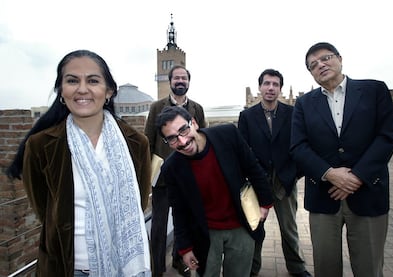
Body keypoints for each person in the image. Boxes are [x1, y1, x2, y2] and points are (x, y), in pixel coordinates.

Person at [6, 50, 152, 277]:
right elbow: (46, 211)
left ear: (109, 92)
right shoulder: (41, 146)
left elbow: (139, 202)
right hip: (66, 268)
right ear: (61, 92)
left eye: (93, 80)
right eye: (72, 80)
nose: (82, 89)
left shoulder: (136, 144)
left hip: (124, 268)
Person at [290, 42, 393, 277]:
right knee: (326, 268)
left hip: (369, 193)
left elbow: (386, 138)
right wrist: (330, 173)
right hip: (323, 197)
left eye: (325, 58)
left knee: (369, 267)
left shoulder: (374, 90)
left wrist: (358, 176)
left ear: (339, 58)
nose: (320, 65)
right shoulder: (304, 104)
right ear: (311, 73)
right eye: (313, 65)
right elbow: (298, 147)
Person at [155, 106, 274, 277]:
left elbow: (253, 169)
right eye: (172, 139)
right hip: (204, 233)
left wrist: (265, 204)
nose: (182, 141)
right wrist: (185, 249)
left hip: (241, 225)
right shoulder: (171, 168)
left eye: (183, 130)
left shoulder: (227, 135)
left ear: (194, 123)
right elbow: (179, 211)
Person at [238, 69, 312, 277]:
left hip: (285, 180)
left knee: (289, 228)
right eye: (267, 83)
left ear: (280, 88)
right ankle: (252, 270)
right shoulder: (247, 116)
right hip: (257, 181)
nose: (271, 88)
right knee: (255, 227)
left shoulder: (292, 113)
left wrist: (294, 174)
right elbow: (243, 150)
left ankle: (297, 267)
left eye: (275, 84)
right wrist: (252, 176)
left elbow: (301, 145)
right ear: (260, 87)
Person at [144, 65, 206, 277]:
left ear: (189, 82)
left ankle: (180, 262)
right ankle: (157, 268)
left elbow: (203, 140)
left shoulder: (197, 108)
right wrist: (148, 176)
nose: (180, 81)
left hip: (188, 178)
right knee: (158, 226)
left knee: (186, 223)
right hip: (162, 179)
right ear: (170, 81)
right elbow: (147, 142)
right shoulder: (156, 107)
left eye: (184, 78)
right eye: (177, 78)